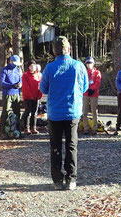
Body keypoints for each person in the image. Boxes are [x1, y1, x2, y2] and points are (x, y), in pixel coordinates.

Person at [40, 36, 88, 190]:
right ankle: (71, 179)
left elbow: (43, 89)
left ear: (54, 51)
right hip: (72, 111)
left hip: (54, 112)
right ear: (69, 49)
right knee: (71, 145)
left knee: (55, 146)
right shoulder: (78, 66)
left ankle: (57, 180)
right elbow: (85, 86)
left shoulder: (49, 68)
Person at [0, 55, 23, 139]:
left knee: (17, 112)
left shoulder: (17, 69)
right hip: (7, 93)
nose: (16, 65)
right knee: (6, 112)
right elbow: (2, 83)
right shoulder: (5, 70)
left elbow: (20, 79)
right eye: (15, 63)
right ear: (10, 61)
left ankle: (18, 131)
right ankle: (3, 132)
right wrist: (12, 85)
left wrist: (20, 84)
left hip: (16, 93)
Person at [21, 60, 42, 134]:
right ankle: (26, 128)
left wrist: (39, 95)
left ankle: (33, 127)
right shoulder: (25, 75)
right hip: (28, 97)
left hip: (36, 97)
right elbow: (25, 87)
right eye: (31, 66)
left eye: (34, 65)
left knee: (35, 113)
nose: (32, 67)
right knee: (28, 112)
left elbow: (40, 85)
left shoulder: (38, 75)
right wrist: (30, 96)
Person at [82, 56, 101, 135]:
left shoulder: (97, 72)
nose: (89, 64)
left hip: (94, 94)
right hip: (85, 93)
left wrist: (92, 89)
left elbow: (97, 82)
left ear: (93, 64)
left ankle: (94, 128)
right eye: (87, 63)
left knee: (94, 112)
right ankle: (86, 128)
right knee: (84, 112)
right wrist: (86, 89)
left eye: (90, 63)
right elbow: (81, 82)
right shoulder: (84, 72)